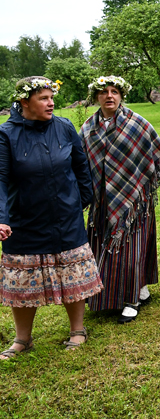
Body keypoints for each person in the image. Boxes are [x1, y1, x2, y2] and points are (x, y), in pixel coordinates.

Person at [0, 77, 103, 359]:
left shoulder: (64, 127)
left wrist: (81, 201)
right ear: (24, 102)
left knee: (71, 272)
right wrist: (2, 218)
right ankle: (22, 339)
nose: (51, 103)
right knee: (22, 278)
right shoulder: (6, 134)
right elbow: (1, 179)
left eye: (51, 97)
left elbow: (81, 166)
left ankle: (77, 330)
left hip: (65, 217)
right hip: (24, 219)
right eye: (43, 98)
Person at [80, 76, 160, 324]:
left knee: (131, 250)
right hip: (101, 201)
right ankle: (132, 291)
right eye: (104, 92)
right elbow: (80, 162)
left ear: (121, 95)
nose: (109, 96)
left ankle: (132, 300)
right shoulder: (87, 128)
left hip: (133, 201)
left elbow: (159, 153)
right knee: (103, 247)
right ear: (96, 97)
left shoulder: (137, 123)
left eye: (114, 91)